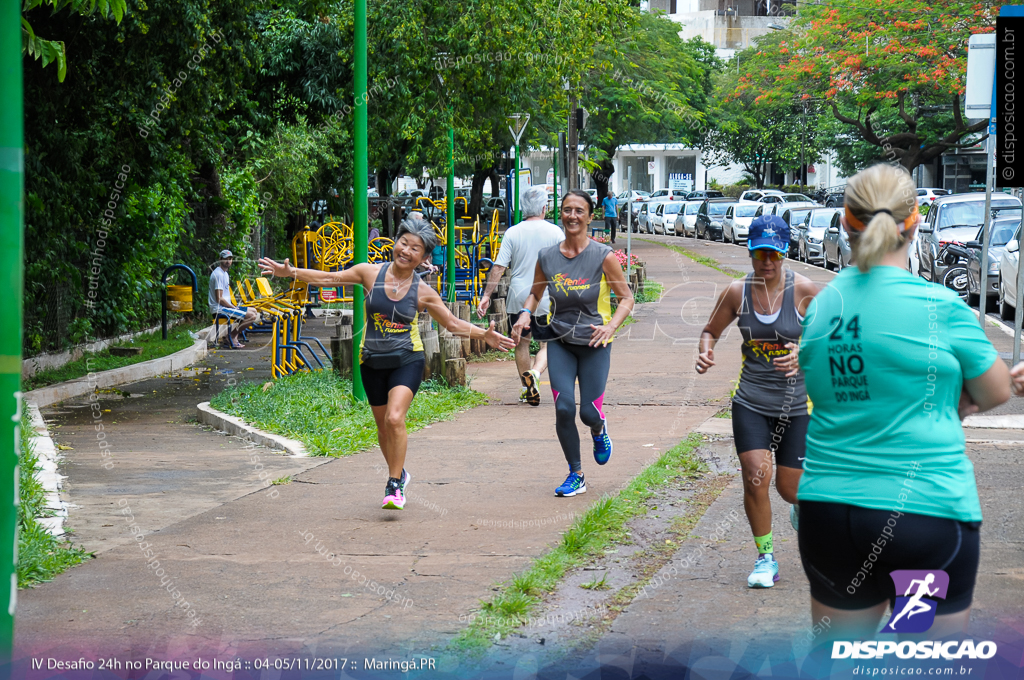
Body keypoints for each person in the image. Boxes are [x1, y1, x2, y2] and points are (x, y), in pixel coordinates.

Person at [796, 164, 1010, 641]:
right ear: (914, 223)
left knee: (835, 660)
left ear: (846, 223)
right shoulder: (940, 306)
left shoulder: (823, 306)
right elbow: (994, 390)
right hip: (924, 513)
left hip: (830, 510)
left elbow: (841, 394)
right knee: (922, 661)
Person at [259, 219, 515, 510]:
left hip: (407, 359)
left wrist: (485, 334)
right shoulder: (369, 273)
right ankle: (401, 472)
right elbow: (329, 279)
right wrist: (290, 272)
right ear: (395, 242)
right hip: (371, 361)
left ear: (424, 257)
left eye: (415, 248)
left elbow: (452, 322)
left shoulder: (422, 292)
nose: (406, 250)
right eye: (403, 242)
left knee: (395, 419)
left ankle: (394, 484)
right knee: (382, 427)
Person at [695, 215, 820, 588]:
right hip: (751, 399)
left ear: (785, 253)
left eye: (774, 254)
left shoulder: (806, 291)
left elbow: (838, 339)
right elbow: (709, 331)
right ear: (749, 253)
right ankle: (766, 558)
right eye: (759, 254)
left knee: (789, 488)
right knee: (755, 478)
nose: (767, 262)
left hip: (798, 404)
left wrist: (806, 352)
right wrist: (706, 351)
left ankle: (803, 505)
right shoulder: (738, 292)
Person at [513, 190, 634, 497]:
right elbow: (536, 293)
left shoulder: (602, 256)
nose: (572, 216)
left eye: (579, 211)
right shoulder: (548, 257)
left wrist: (611, 327)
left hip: (595, 344)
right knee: (564, 408)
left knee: (588, 414)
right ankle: (576, 473)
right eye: (567, 210)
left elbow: (626, 298)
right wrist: (526, 313)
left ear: (590, 216)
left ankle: (599, 429)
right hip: (561, 341)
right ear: (560, 214)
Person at [477, 185, 565, 405]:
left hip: (517, 296)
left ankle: (527, 390)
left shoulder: (512, 232)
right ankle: (535, 374)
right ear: (545, 208)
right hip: (546, 296)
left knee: (521, 344)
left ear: (523, 209)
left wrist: (486, 295)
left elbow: (498, 267)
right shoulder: (555, 231)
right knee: (547, 344)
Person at [209, 249, 259, 349]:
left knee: (254, 311)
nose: (228, 261)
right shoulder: (218, 274)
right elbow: (219, 299)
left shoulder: (225, 273)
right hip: (219, 309)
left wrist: (233, 307)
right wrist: (233, 307)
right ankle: (231, 336)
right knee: (251, 316)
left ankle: (233, 336)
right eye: (225, 259)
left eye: (230, 259)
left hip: (225, 306)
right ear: (220, 259)